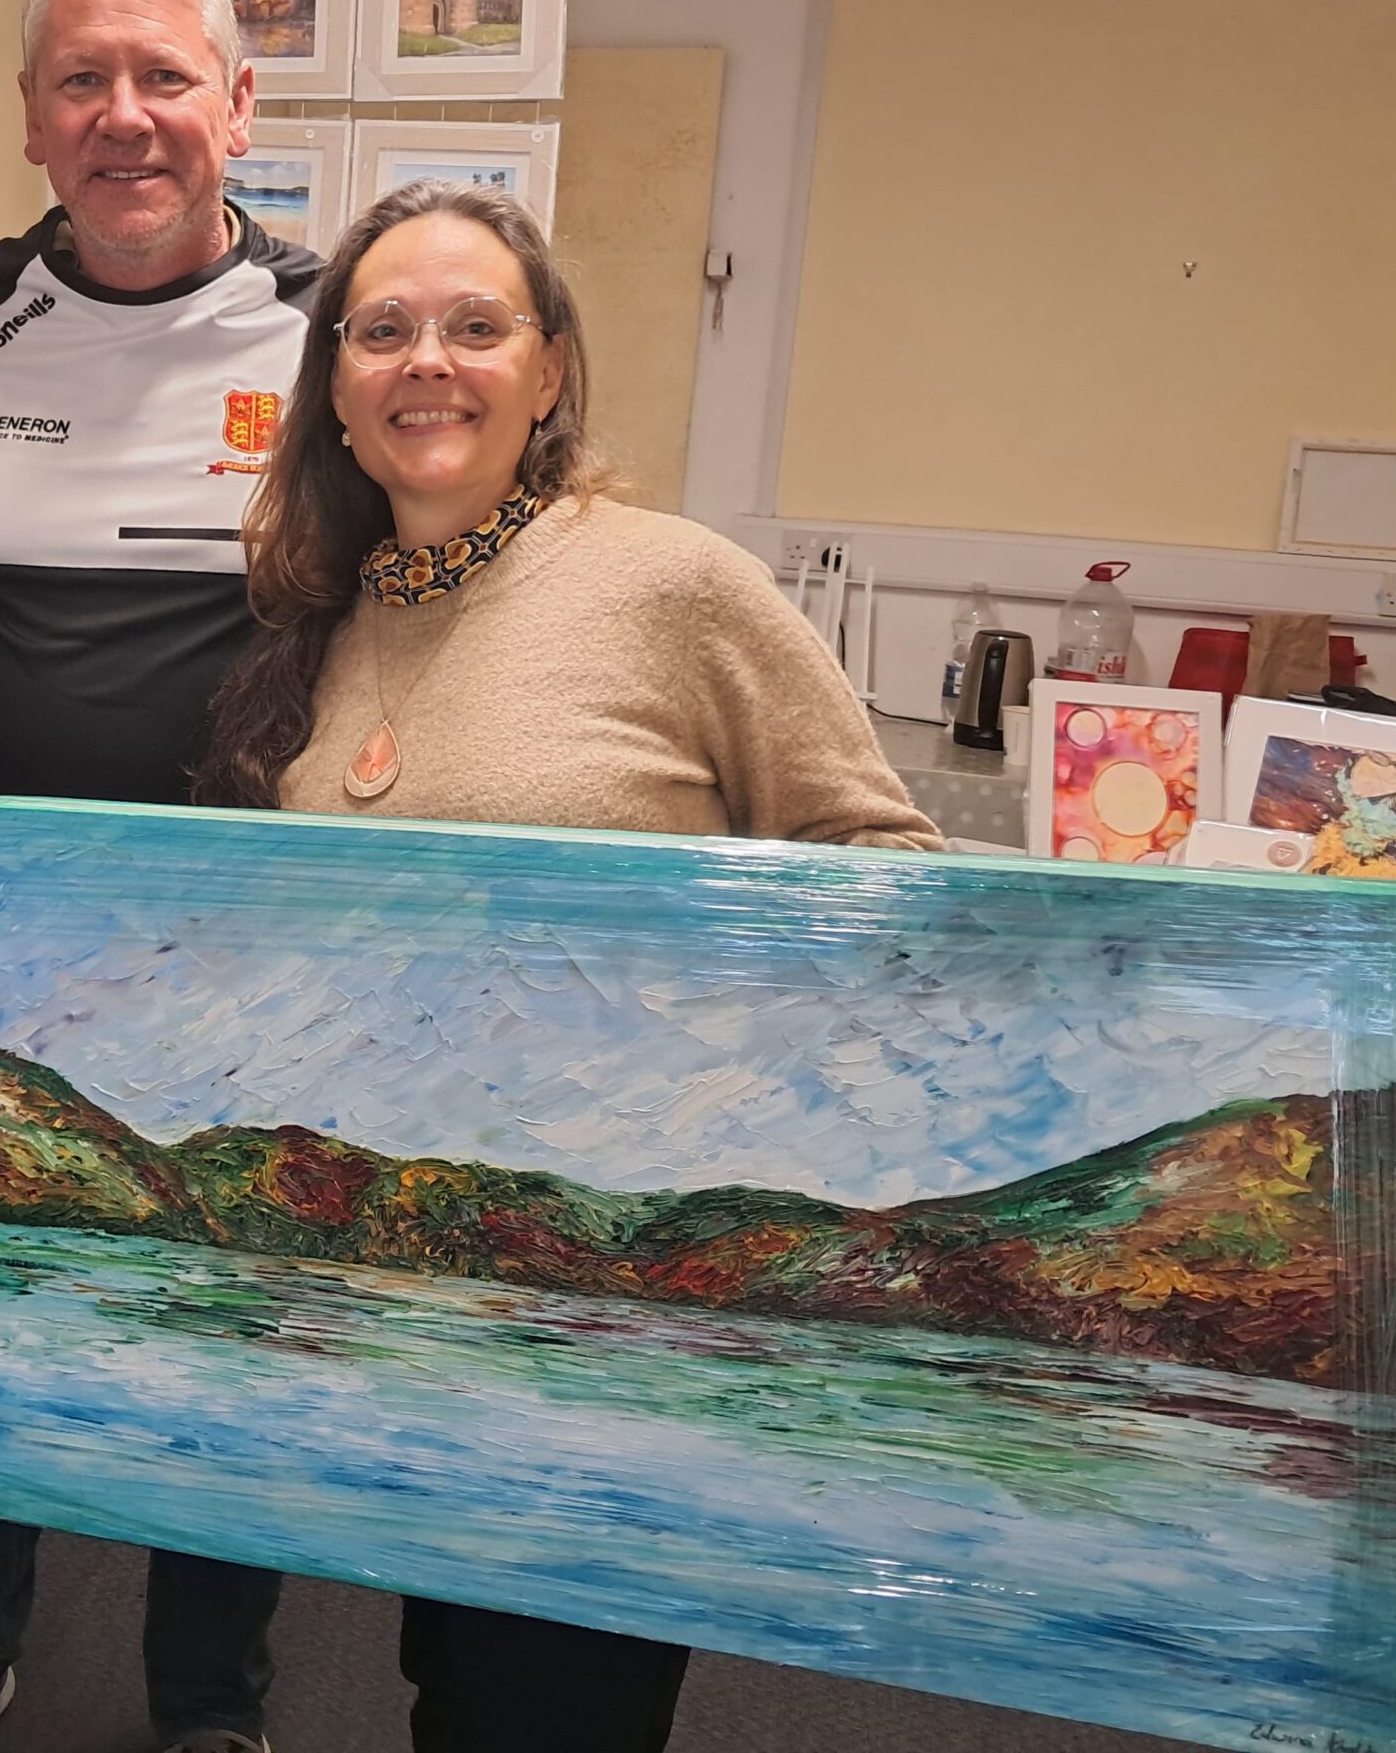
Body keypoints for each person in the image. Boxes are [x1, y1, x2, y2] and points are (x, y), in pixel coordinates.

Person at [195, 178, 941, 1753]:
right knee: (447, 1684)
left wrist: (706, 1073)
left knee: (549, 1709)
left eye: (478, 327)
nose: (428, 364)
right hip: (404, 1305)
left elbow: (884, 873)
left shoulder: (674, 584)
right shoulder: (314, 620)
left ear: (548, 372)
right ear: (331, 383)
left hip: (620, 1308)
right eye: (382, 330)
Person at [0, 0, 315, 1753]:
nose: (125, 116)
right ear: (32, 117)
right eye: (82, 81)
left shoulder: (333, 320)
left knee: (227, 1333)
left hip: (252, 941)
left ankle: (211, 1703)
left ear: (238, 100)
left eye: (163, 76)